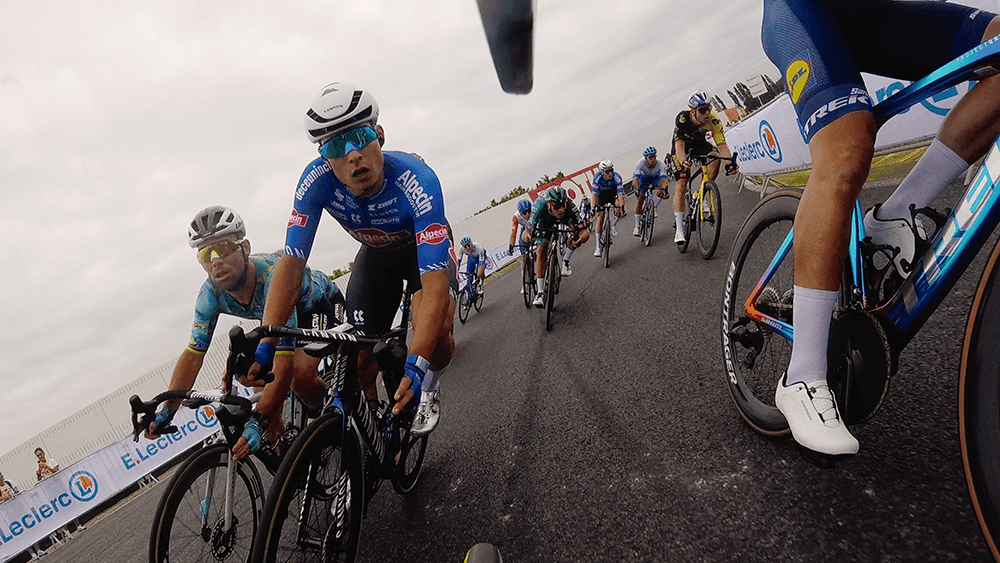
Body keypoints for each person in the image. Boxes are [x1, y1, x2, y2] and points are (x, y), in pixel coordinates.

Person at [760, 0, 1000, 456]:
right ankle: (802, 376)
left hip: (879, 12)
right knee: (848, 146)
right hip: (804, 12)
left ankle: (892, 219)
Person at [256, 82, 458, 437]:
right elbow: (291, 265)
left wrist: (419, 366)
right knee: (361, 358)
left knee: (437, 334)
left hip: (420, 256)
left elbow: (435, 282)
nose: (352, 155)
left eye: (360, 137)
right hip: (376, 257)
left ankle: (428, 389)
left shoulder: (418, 180)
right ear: (325, 157)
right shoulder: (315, 182)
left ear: (379, 134)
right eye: (335, 145)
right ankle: (376, 431)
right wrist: (266, 342)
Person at [146, 206, 344, 463]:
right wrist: (167, 411)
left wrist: (258, 420)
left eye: (225, 248)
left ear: (245, 248)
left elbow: (284, 364)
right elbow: (193, 355)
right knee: (248, 372)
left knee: (299, 374)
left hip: (317, 305)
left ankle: (328, 423)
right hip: (275, 319)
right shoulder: (210, 295)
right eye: (207, 254)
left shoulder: (273, 276)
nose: (216, 260)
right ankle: (281, 442)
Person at [670, 91, 737, 245]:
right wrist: (683, 161)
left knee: (716, 157)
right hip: (682, 147)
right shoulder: (682, 119)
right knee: (681, 183)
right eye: (702, 110)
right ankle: (680, 229)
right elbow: (679, 146)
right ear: (693, 111)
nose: (707, 113)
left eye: (709, 108)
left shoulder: (714, 120)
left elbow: (721, 145)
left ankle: (700, 193)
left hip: (700, 144)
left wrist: (729, 162)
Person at [524, 186, 591, 306]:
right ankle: (540, 293)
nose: (561, 209)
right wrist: (528, 235)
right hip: (546, 220)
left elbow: (585, 231)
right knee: (541, 250)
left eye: (563, 205)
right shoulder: (539, 204)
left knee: (577, 236)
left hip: (566, 220)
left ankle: (566, 261)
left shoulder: (569, 206)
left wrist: (579, 240)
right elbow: (527, 231)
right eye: (557, 206)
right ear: (549, 205)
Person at [631, 146, 670, 236]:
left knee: (662, 188)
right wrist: (637, 189)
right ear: (646, 158)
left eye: (654, 156)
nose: (653, 159)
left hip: (655, 178)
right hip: (643, 179)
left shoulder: (661, 164)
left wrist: (663, 189)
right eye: (650, 157)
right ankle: (637, 226)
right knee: (640, 199)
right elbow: (636, 178)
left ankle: (654, 206)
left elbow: (664, 179)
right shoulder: (640, 163)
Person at [590, 159, 625, 256]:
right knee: (600, 219)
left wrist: (621, 207)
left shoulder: (617, 177)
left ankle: (613, 224)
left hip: (613, 195)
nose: (610, 173)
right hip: (601, 197)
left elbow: (620, 194)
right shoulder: (597, 178)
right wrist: (593, 208)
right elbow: (594, 195)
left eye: (611, 170)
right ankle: (597, 246)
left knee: (619, 208)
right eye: (607, 171)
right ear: (602, 172)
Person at [509, 199, 533, 292]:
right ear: (520, 212)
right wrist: (511, 245)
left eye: (529, 211)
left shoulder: (535, 211)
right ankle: (524, 282)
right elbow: (513, 233)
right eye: (524, 212)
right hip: (525, 231)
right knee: (523, 257)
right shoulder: (516, 217)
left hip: (536, 228)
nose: (527, 214)